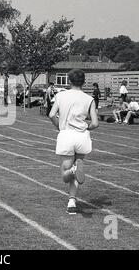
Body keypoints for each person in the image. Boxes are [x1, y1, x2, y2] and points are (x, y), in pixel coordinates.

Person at [49, 69, 99, 215]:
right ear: (84, 82)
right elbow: (95, 123)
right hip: (82, 136)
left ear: (69, 81)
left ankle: (73, 171)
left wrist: (59, 126)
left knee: (66, 173)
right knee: (77, 169)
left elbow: (52, 114)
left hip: (66, 135)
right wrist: (85, 126)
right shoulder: (89, 99)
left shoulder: (60, 95)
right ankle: (72, 201)